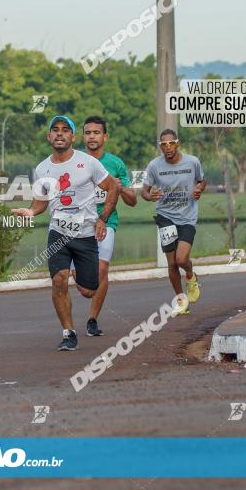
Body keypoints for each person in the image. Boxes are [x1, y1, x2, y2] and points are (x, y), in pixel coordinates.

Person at [12, 116, 119, 351]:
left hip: (85, 235)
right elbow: (40, 203)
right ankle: (69, 333)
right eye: (55, 130)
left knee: (88, 290)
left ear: (72, 137)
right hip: (58, 233)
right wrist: (30, 211)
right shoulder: (42, 168)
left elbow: (112, 187)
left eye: (65, 130)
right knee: (58, 281)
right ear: (49, 137)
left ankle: (76, 272)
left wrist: (103, 219)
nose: (59, 134)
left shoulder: (88, 163)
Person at [73, 115, 137, 336]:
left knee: (101, 270)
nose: (92, 137)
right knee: (83, 285)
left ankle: (92, 319)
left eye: (96, 132)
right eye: (88, 132)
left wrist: (119, 188)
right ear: (82, 137)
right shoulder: (74, 161)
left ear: (105, 137)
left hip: (106, 222)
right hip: (77, 223)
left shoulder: (115, 163)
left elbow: (132, 200)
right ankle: (77, 276)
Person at [141, 129, 206, 314]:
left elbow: (202, 181)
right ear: (160, 146)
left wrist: (199, 189)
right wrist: (150, 195)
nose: (167, 147)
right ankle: (181, 300)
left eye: (171, 143)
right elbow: (144, 191)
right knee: (171, 264)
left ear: (177, 144)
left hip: (187, 216)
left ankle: (191, 276)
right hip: (165, 217)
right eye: (163, 144)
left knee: (181, 259)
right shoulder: (154, 166)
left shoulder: (192, 162)